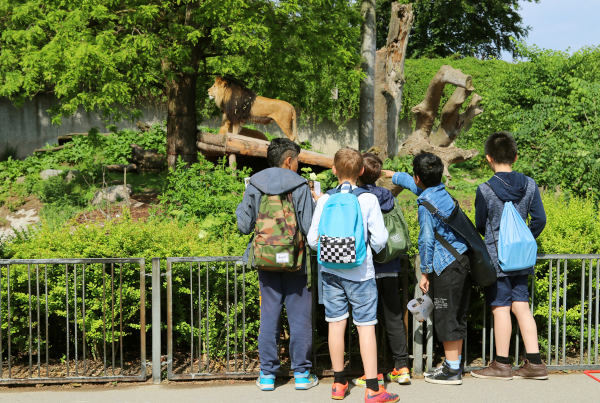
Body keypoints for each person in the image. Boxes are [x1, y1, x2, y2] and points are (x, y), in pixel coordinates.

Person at [307, 147, 398, 402]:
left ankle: (338, 383)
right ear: (361, 171)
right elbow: (380, 239)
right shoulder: (367, 200)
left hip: (330, 271)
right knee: (366, 326)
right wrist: (368, 248)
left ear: (333, 170)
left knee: (336, 324)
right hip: (361, 272)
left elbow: (313, 240)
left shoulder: (324, 200)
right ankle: (372, 388)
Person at [236, 138, 318, 391]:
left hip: (266, 261)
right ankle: (302, 374)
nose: (298, 166)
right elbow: (308, 228)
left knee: (269, 315)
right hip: (298, 261)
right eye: (298, 161)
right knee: (300, 317)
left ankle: (268, 375)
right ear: (288, 160)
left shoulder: (255, 184)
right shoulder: (301, 186)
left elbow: (243, 226)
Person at [382, 152, 471, 385]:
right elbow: (415, 185)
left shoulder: (425, 203)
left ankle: (452, 371)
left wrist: (425, 271)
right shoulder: (439, 192)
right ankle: (454, 364)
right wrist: (396, 176)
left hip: (445, 266)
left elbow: (427, 240)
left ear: (419, 177)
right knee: (455, 314)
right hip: (461, 260)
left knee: (446, 316)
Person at [470, 131, 548, 380]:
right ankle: (535, 363)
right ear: (515, 156)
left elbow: (480, 224)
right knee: (522, 306)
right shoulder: (530, 185)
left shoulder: (485, 189)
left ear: (488, 159)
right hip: (522, 258)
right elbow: (540, 220)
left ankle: (502, 364)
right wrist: (523, 239)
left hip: (497, 259)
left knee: (501, 308)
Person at [351, 153, 411, 387]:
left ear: (358, 172)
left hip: (365, 268)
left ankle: (371, 371)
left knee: (367, 321)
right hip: (390, 265)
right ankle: (402, 367)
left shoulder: (358, 198)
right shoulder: (387, 195)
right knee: (393, 316)